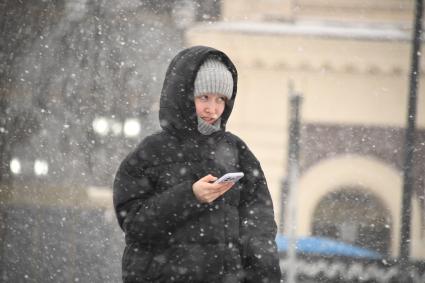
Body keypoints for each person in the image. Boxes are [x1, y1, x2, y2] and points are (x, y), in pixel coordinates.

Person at [113, 45, 281, 283]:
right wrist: (190, 196)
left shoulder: (238, 151)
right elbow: (134, 224)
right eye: (204, 97)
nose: (212, 109)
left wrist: (266, 276)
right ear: (182, 95)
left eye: (220, 99)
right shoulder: (150, 153)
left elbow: (259, 228)